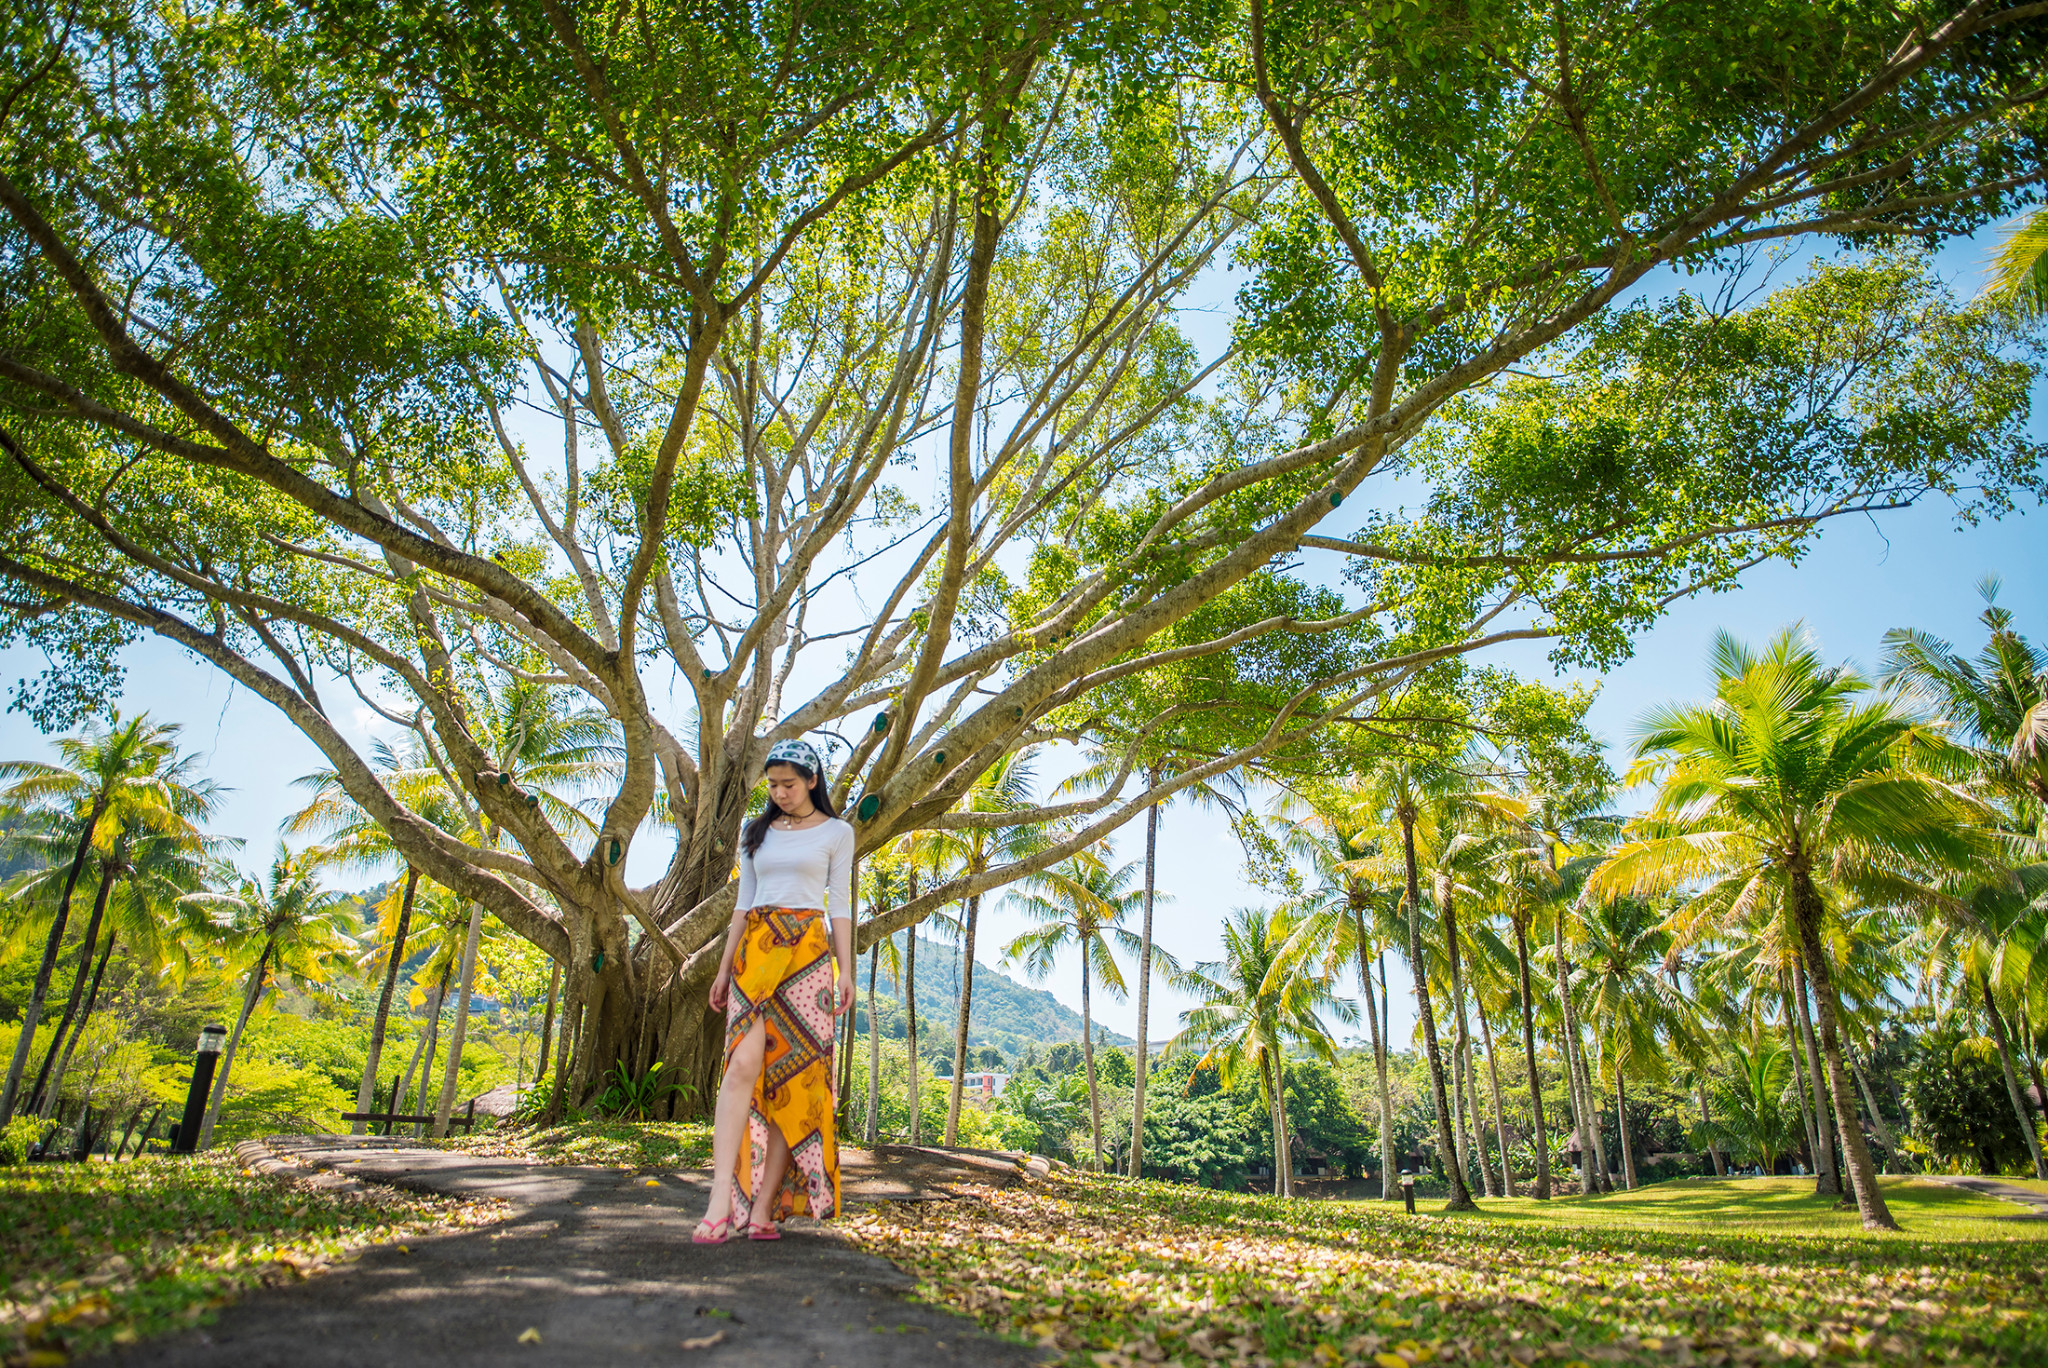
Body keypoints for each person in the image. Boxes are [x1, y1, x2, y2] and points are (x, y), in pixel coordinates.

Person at [695, 738, 856, 1243]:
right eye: (772, 785)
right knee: (741, 1065)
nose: (780, 793)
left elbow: (841, 907)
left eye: (789, 784)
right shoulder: (754, 832)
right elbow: (742, 906)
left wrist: (845, 970)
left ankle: (763, 1207)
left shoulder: (837, 832)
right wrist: (723, 971)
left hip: (809, 956)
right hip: (757, 952)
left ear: (812, 782)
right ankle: (720, 1198)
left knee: (797, 1080)